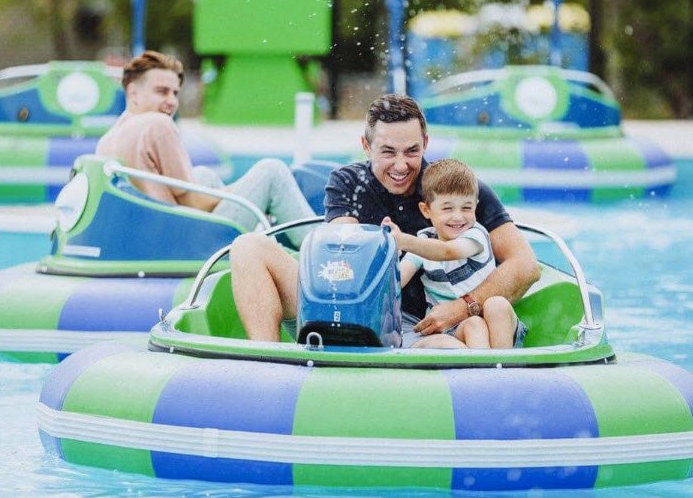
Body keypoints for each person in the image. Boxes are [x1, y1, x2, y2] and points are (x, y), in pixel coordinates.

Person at [230, 93, 540, 347]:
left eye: (412, 151)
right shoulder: (349, 183)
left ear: (426, 144)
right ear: (366, 146)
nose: (401, 165)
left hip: (424, 325)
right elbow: (344, 260)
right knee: (248, 247)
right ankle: (268, 361)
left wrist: (463, 307)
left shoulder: (455, 190)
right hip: (358, 308)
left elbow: (525, 265)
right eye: (388, 152)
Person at [95, 50, 316, 246]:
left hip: (150, 235)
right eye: (162, 92)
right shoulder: (158, 124)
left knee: (204, 176)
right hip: (181, 241)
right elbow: (195, 203)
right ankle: (326, 251)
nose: (172, 101)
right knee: (271, 172)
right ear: (133, 92)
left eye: (175, 93)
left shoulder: (106, 140)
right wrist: (247, 188)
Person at [381, 158, 525, 349]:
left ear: (476, 206)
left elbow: (448, 251)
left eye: (466, 207)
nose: (458, 216)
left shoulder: (476, 236)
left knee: (496, 304)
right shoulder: (424, 243)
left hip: (497, 327)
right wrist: (389, 250)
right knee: (474, 325)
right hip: (455, 329)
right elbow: (395, 281)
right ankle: (485, 372)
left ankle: (503, 367)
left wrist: (404, 240)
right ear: (426, 210)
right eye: (448, 208)